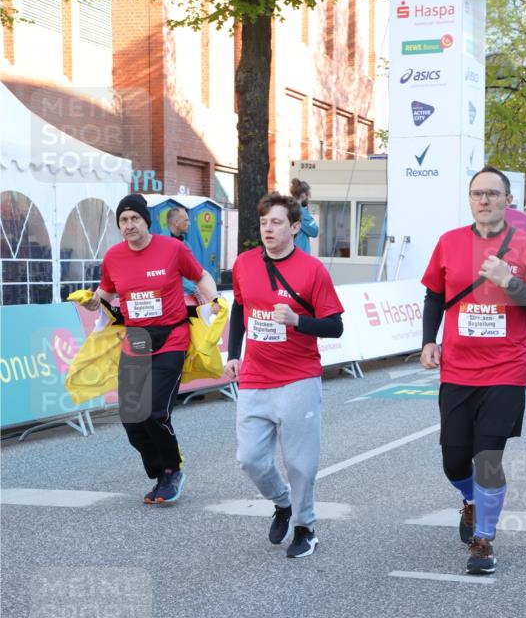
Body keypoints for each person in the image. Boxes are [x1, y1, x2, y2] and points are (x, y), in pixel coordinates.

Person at [420, 167, 526, 575]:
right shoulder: (449, 242)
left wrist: (509, 281)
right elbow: (433, 295)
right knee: (454, 459)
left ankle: (484, 540)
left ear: (507, 200)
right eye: (477, 193)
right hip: (458, 369)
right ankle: (471, 500)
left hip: (506, 370)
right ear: (470, 199)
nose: (484, 200)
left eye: (492, 194)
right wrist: (429, 340)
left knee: (488, 457)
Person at [224, 192, 343, 558]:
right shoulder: (245, 264)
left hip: (298, 378)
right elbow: (239, 309)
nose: (268, 229)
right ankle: (282, 502)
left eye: (276, 223)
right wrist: (233, 354)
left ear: (294, 227)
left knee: (299, 463)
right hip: (256, 378)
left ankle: (306, 527)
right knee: (250, 459)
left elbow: (334, 326)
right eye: (263, 223)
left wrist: (297, 321)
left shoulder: (312, 270)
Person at [82, 194, 219, 504]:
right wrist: (93, 301)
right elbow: (105, 291)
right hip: (136, 340)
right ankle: (160, 472)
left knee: (155, 411)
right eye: (123, 221)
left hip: (171, 337)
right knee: (132, 418)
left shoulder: (172, 249)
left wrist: (214, 302)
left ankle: (172, 470)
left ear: (147, 221)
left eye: (134, 219)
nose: (129, 225)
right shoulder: (114, 257)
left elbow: (201, 276)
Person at [167, 206, 198, 297]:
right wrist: (194, 289)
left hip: (187, 297)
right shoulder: (162, 245)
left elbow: (193, 272)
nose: (189, 223)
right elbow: (171, 274)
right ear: (176, 222)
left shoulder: (187, 245)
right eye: (186, 220)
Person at [289, 178, 319, 254]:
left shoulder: (288, 209)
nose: (310, 197)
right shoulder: (301, 212)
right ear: (303, 195)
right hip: (299, 257)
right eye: (308, 194)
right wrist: (306, 211)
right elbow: (314, 231)